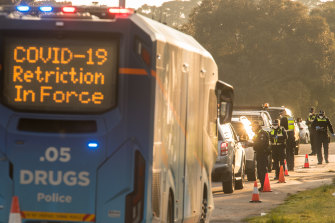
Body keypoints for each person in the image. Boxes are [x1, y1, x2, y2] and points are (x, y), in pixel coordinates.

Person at [252, 121, 269, 191]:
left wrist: (251, 144)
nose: (252, 128)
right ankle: (262, 185)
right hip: (259, 153)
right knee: (259, 170)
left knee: (262, 170)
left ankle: (264, 186)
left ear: (257, 125)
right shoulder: (257, 134)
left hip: (262, 154)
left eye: (254, 126)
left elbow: (261, 144)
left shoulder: (262, 133)